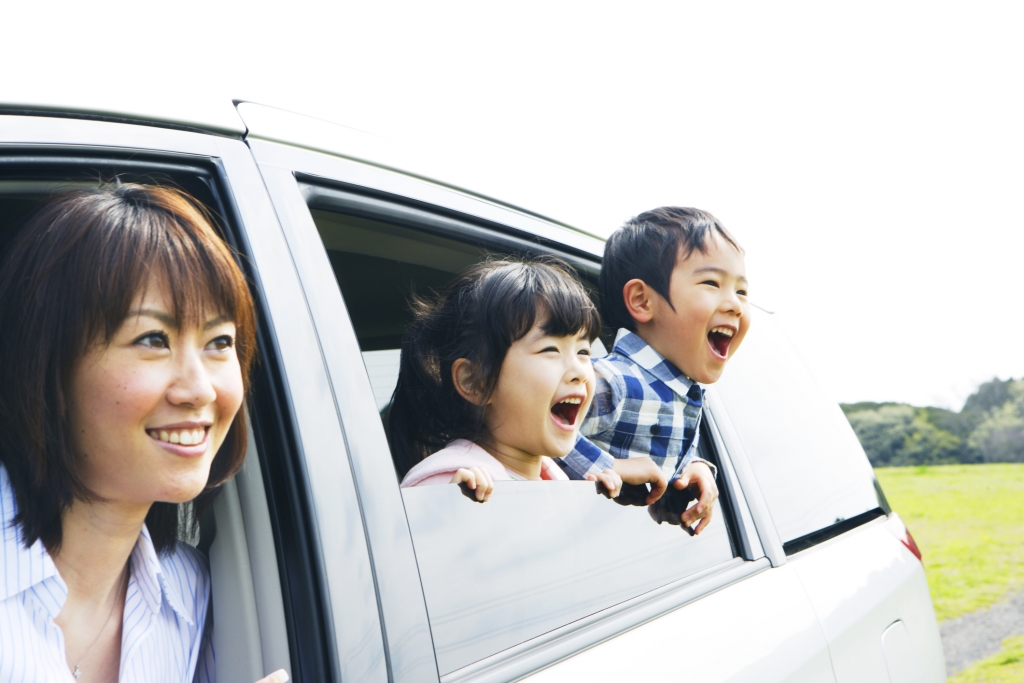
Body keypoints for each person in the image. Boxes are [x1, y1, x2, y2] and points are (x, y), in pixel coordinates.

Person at [0, 184, 287, 683]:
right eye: (153, 339)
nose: (199, 390)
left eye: (220, 342)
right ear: (47, 367)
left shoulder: (191, 596)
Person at [558, 207, 751, 534]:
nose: (735, 304)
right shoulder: (610, 382)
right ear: (642, 301)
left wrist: (693, 468)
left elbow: (657, 456)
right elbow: (536, 434)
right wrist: (609, 468)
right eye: (711, 283)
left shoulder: (684, 393)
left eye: (742, 291)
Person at [391, 258, 622, 501]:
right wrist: (450, 508)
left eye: (583, 352)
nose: (579, 372)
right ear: (476, 382)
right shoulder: (451, 482)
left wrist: (595, 509)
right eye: (550, 349)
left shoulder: (557, 482)